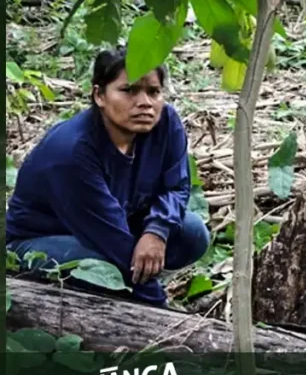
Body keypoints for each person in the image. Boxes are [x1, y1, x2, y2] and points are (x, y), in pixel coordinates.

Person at [6, 47, 210, 306]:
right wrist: (162, 311)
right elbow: (112, 238)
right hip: (40, 239)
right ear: (99, 95)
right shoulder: (71, 151)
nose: (145, 103)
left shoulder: (166, 123)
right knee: (103, 267)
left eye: (153, 92)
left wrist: (156, 231)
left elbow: (176, 187)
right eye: (129, 90)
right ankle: (130, 290)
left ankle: (136, 281)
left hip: (115, 223)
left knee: (192, 232)